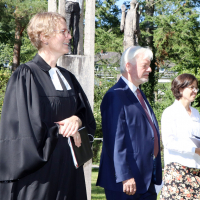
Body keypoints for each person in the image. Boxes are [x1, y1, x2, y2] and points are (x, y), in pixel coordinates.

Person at [0, 12, 96, 200]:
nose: (69, 36)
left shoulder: (68, 77)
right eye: (64, 31)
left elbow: (84, 115)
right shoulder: (26, 75)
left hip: (69, 172)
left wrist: (76, 120)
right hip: (40, 177)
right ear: (44, 37)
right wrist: (59, 129)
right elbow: (22, 129)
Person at [96, 46, 162, 200]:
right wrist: (125, 176)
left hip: (145, 180)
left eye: (149, 65)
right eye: (144, 65)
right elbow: (114, 140)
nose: (150, 69)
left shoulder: (139, 94)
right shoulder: (115, 95)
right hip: (126, 183)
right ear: (128, 66)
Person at [160, 73, 200, 200]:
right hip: (177, 169)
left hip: (196, 170)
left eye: (196, 88)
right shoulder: (169, 112)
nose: (195, 91)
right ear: (180, 89)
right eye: (192, 87)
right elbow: (168, 142)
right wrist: (194, 150)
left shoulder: (196, 113)